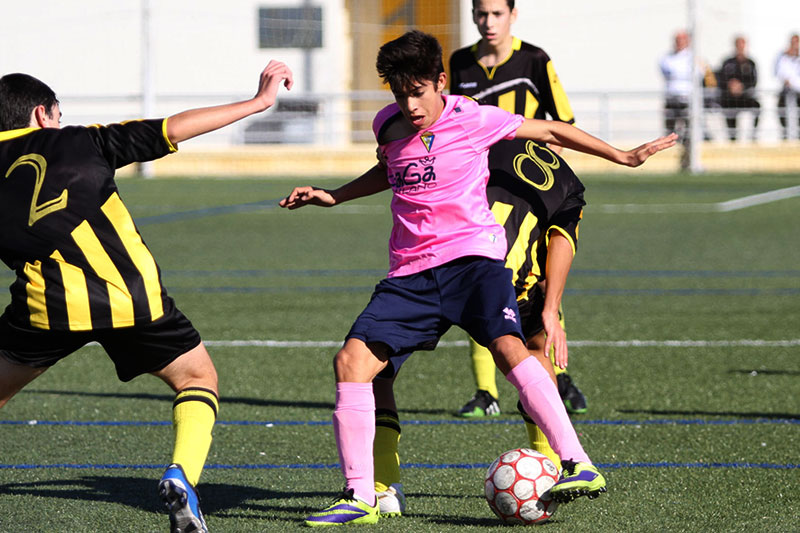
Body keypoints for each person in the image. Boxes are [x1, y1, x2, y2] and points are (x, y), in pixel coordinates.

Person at [280, 30, 676, 526]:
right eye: (400, 94)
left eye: (418, 92)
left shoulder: (472, 117)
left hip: (473, 262)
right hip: (410, 273)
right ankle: (361, 497)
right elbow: (391, 169)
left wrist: (622, 156)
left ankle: (579, 463)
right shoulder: (388, 124)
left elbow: (549, 131)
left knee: (512, 349)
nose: (411, 104)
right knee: (352, 362)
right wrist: (334, 195)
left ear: (440, 81)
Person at [0, 61, 293, 533]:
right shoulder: (78, 141)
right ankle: (182, 477)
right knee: (197, 378)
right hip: (134, 300)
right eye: (57, 113)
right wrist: (258, 102)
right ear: (41, 114)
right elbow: (171, 130)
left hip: (46, 308)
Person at [448, 0, 587, 421]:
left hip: (529, 191)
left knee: (543, 282)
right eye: (481, 14)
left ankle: (558, 376)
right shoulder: (458, 64)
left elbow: (561, 123)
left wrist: (543, 180)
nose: (488, 22)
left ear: (513, 14)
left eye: (496, 14)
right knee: (483, 275)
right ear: (473, 16)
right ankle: (485, 391)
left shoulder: (534, 59)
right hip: (480, 192)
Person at [659, 30, 717, 162]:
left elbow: (701, 75)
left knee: (690, 128)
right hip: (672, 98)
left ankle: (689, 156)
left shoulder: (695, 58)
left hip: (688, 99)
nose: (679, 43)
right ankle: (670, 157)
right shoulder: (666, 58)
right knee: (670, 129)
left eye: (682, 40)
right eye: (677, 40)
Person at [717, 36, 760, 141]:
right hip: (730, 98)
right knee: (728, 110)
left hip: (745, 97)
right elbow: (720, 79)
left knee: (757, 107)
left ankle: (753, 136)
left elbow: (753, 81)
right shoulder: (728, 62)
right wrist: (730, 85)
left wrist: (742, 86)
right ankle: (732, 138)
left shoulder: (750, 63)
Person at [775, 33, 800, 139]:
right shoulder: (783, 57)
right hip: (787, 92)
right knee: (784, 116)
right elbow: (781, 74)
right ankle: (785, 137)